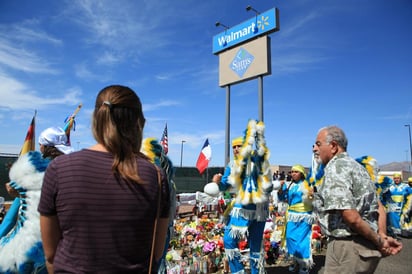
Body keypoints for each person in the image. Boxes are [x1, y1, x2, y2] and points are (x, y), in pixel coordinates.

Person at [38, 85, 170, 274]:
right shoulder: (155, 176)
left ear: (96, 120)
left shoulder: (59, 170)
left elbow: (50, 254)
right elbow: (157, 253)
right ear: (139, 123)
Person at [312, 125, 402, 273]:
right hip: (364, 250)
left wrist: (379, 241)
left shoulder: (336, 168)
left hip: (347, 250)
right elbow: (379, 207)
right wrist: (382, 235)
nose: (314, 148)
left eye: (318, 144)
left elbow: (351, 217)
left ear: (333, 146)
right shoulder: (358, 168)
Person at [0, 126, 73, 273]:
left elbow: (11, 196)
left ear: (44, 146)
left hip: (30, 244)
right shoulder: (71, 170)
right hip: (60, 244)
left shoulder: (34, 171)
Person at [212, 120, 273, 274]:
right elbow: (225, 185)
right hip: (241, 209)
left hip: (259, 210)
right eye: (234, 147)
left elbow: (268, 182)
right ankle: (238, 271)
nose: (236, 149)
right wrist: (218, 182)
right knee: (229, 240)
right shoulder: (232, 165)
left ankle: (256, 272)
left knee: (255, 245)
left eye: (239, 146)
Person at [277, 164, 315, 274]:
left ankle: (304, 264)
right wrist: (280, 190)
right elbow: (283, 198)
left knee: (302, 240)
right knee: (289, 238)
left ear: (302, 174)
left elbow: (314, 199)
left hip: (304, 216)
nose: (293, 173)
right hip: (292, 215)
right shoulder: (290, 185)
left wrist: (313, 195)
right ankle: (294, 260)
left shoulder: (307, 184)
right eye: (292, 172)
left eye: (296, 172)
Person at [380, 173, 412, 237]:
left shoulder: (406, 187)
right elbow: (384, 196)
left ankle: (404, 232)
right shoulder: (390, 187)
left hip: (402, 206)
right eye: (395, 178)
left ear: (400, 179)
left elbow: (410, 196)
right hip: (392, 207)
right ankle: (394, 232)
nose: (396, 180)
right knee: (392, 220)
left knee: (403, 219)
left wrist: (407, 207)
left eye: (398, 178)